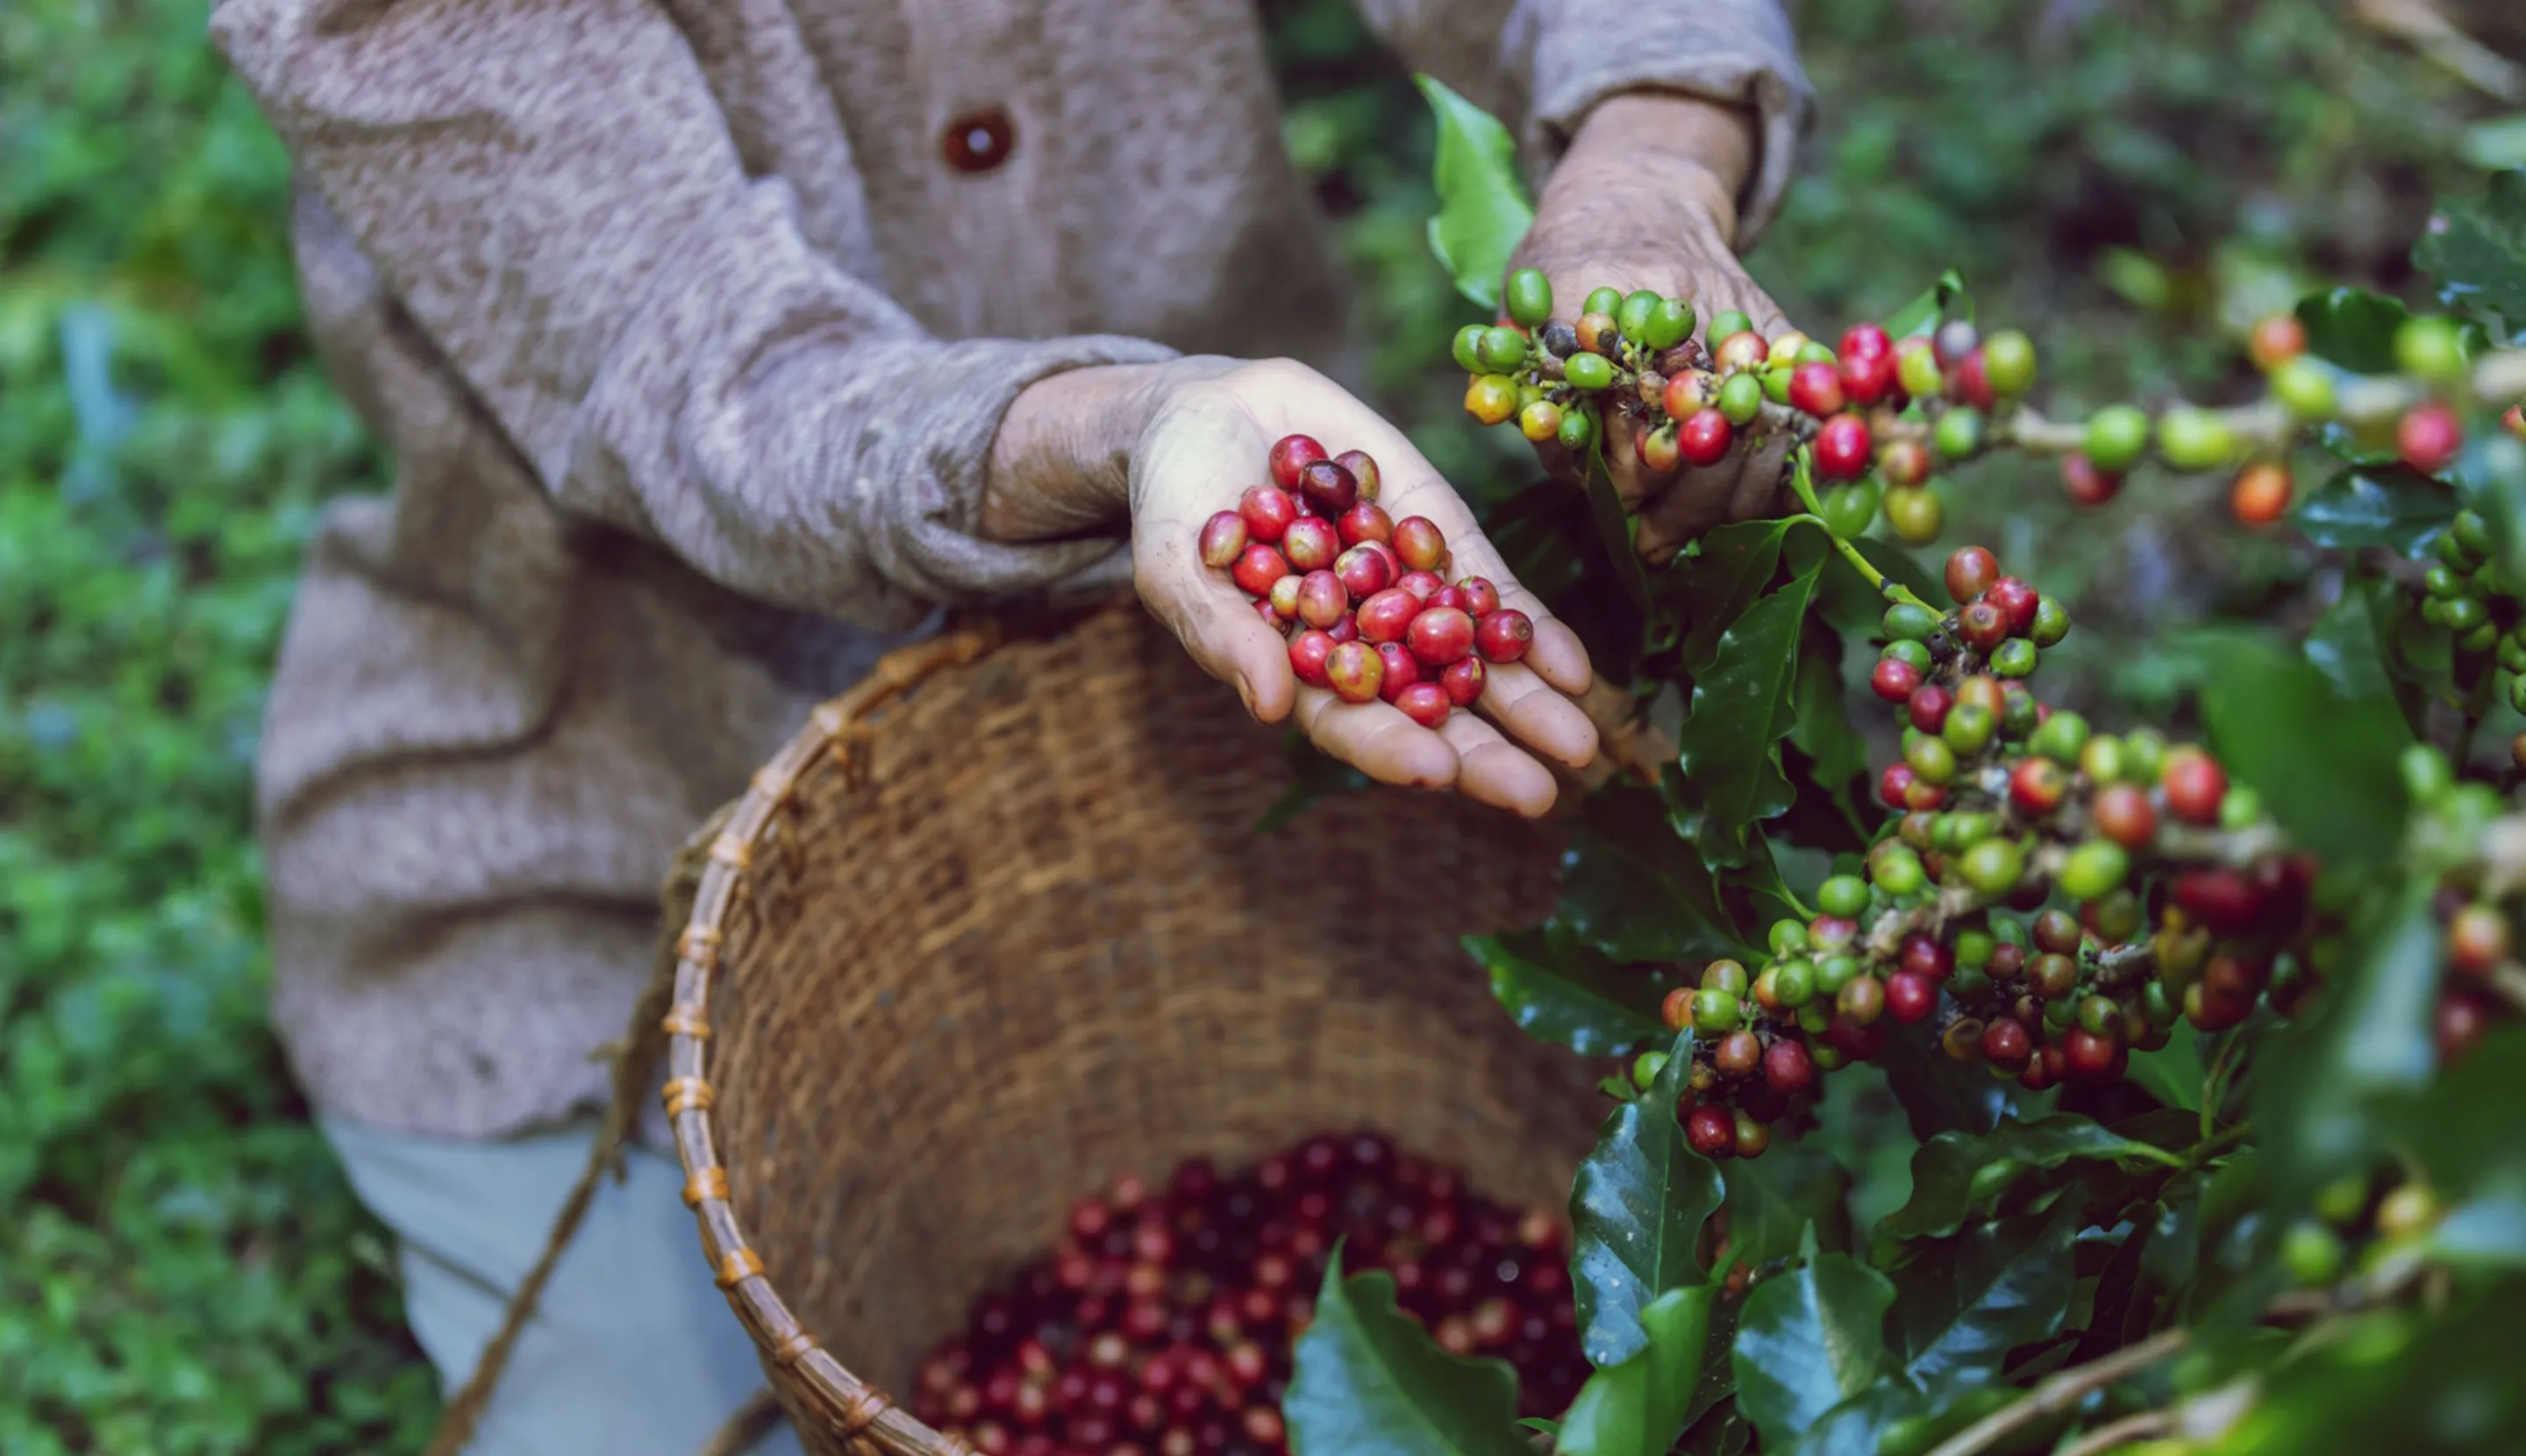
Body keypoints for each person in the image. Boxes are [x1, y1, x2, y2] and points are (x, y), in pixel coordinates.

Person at [208, 0, 1813, 1450]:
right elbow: (705, 370)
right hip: (587, 836)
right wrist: (1125, 431)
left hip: (1218, 733)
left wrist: (1648, 163)